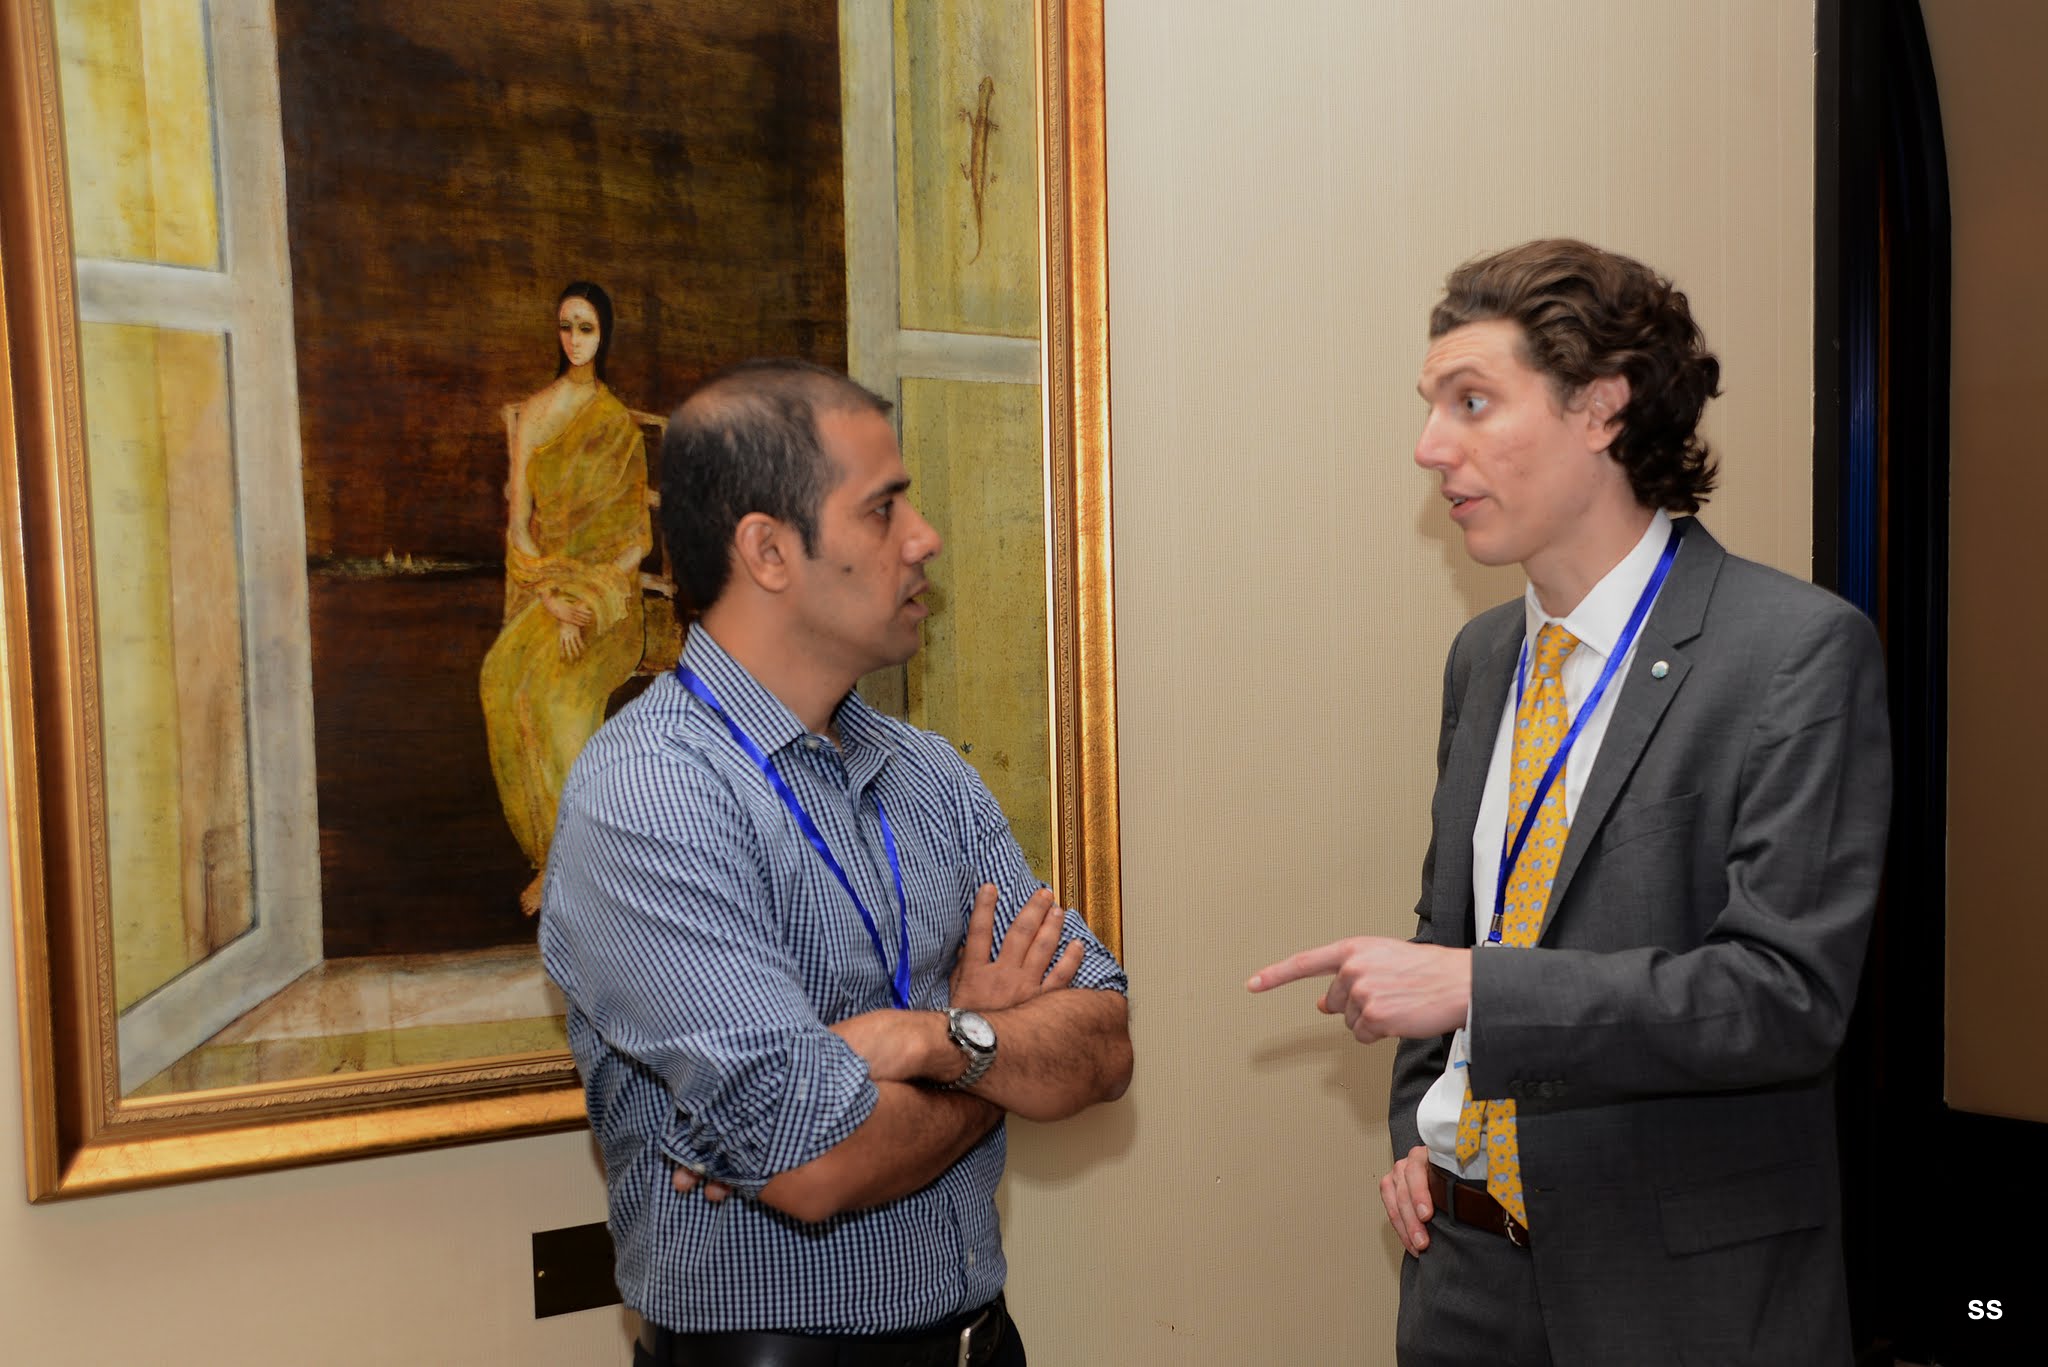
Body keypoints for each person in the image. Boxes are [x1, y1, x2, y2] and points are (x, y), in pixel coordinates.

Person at [1249, 239, 1890, 1365]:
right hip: (1463, 1279)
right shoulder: (1482, 656)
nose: (1428, 446)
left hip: (1680, 1305)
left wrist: (1476, 987)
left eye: (1471, 402)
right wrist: (1419, 1131)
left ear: (1600, 406)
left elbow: (1783, 995)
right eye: (1430, 406)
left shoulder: (1792, 651)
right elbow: (1453, 926)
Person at [540, 359, 1132, 1366]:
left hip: (983, 1342)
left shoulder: (926, 771)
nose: (924, 536)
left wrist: (923, 1039)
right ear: (768, 550)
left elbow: (1107, 1041)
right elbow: (815, 1159)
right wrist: (989, 1047)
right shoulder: (651, 795)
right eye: (883, 508)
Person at [482, 281, 652, 917]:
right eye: (566, 326)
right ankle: (551, 852)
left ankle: (579, 855)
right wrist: (553, 598)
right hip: (548, 588)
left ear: (604, 334)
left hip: (607, 600)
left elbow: (638, 541)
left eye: (586, 328)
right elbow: (519, 529)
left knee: (558, 698)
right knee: (501, 678)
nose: (575, 339)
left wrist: (590, 596)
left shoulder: (618, 425)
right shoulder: (534, 413)